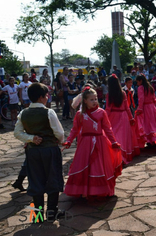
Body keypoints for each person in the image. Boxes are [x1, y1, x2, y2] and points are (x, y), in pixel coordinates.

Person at [14, 82, 65, 222]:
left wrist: (31, 138)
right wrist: (60, 142)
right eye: (47, 95)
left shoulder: (23, 113)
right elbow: (59, 132)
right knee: (53, 179)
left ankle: (38, 215)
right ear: (42, 97)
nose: (48, 97)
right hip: (50, 150)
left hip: (33, 152)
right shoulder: (49, 112)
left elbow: (17, 132)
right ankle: (52, 212)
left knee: (35, 180)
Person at [62, 87, 122, 198]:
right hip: (85, 143)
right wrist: (69, 140)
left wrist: (113, 142)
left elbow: (108, 128)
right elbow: (75, 129)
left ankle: (100, 190)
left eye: (95, 99)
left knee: (99, 166)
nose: (94, 101)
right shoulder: (80, 114)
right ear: (84, 100)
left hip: (100, 142)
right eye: (91, 100)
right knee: (83, 165)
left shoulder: (101, 112)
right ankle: (83, 190)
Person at [105, 75, 139, 164]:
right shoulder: (123, 93)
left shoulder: (109, 95)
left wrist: (103, 118)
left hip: (113, 116)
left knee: (114, 135)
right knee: (123, 137)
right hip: (123, 116)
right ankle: (122, 155)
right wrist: (130, 118)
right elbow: (127, 107)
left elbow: (108, 109)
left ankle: (117, 156)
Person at [135, 74, 156, 147]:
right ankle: (154, 139)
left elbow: (141, 99)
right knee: (153, 123)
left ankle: (149, 140)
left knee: (146, 124)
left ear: (140, 81)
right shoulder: (150, 87)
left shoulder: (140, 88)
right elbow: (154, 99)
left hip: (145, 107)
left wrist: (140, 108)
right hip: (152, 107)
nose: (137, 83)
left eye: (137, 81)